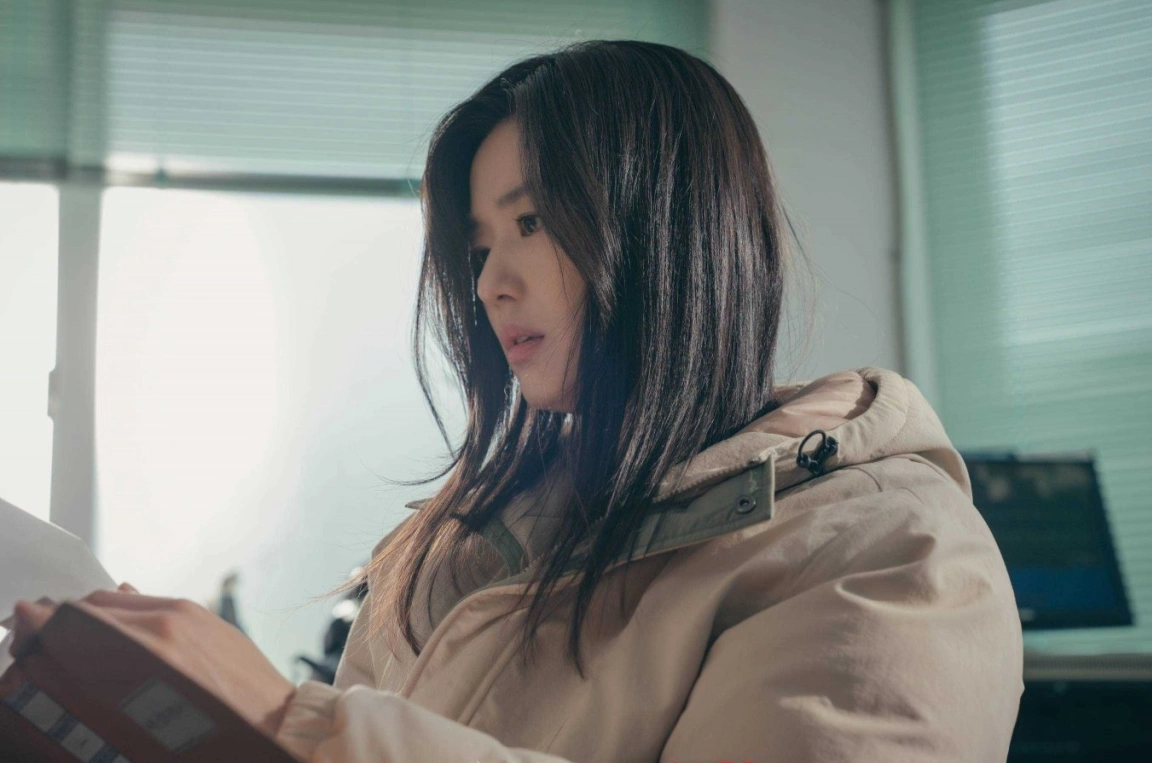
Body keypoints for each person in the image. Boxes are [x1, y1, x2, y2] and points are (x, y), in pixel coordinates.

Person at [4, 40, 1024, 761]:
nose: (490, 281)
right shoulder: (453, 544)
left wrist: (289, 720)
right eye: (480, 243)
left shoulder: (892, 553)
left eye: (531, 221)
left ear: (672, 229)